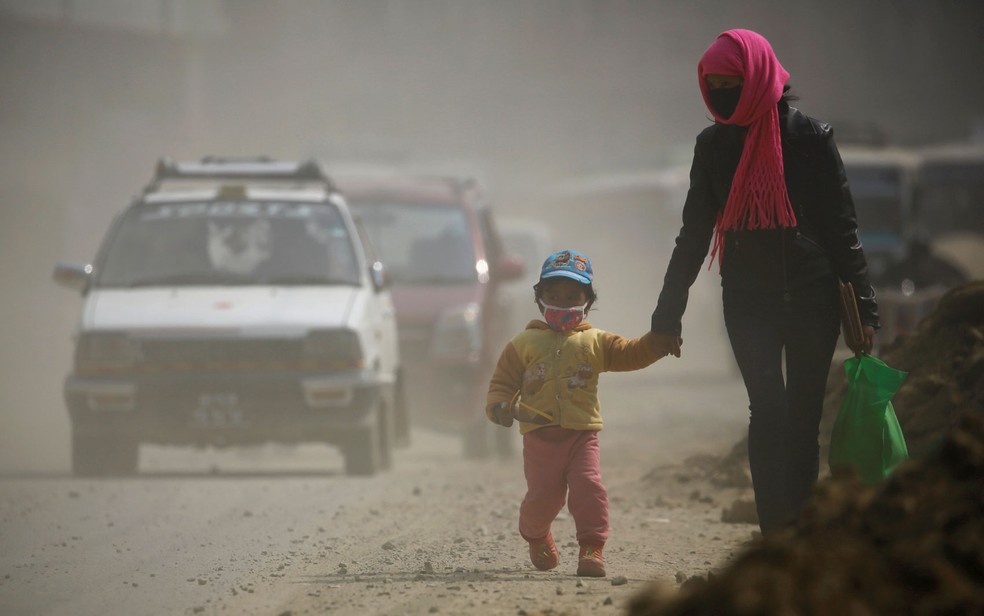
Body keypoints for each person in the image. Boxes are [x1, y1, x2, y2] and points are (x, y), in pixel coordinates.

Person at [649, 29, 879, 534]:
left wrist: (865, 307)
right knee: (766, 409)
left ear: (756, 76)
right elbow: (694, 233)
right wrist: (667, 314)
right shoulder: (712, 146)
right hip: (747, 299)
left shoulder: (811, 138)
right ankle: (776, 532)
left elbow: (842, 227)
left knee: (802, 416)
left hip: (813, 296)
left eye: (733, 81)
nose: (723, 92)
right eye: (715, 84)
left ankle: (800, 529)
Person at [486, 249, 663, 577]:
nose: (563, 304)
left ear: (588, 301)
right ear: (540, 300)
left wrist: (657, 342)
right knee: (544, 498)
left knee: (588, 485)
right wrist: (499, 405)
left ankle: (592, 548)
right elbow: (503, 381)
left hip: (582, 435)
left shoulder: (596, 341)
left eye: (572, 297)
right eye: (554, 296)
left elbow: (632, 353)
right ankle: (535, 533)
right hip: (539, 439)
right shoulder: (523, 343)